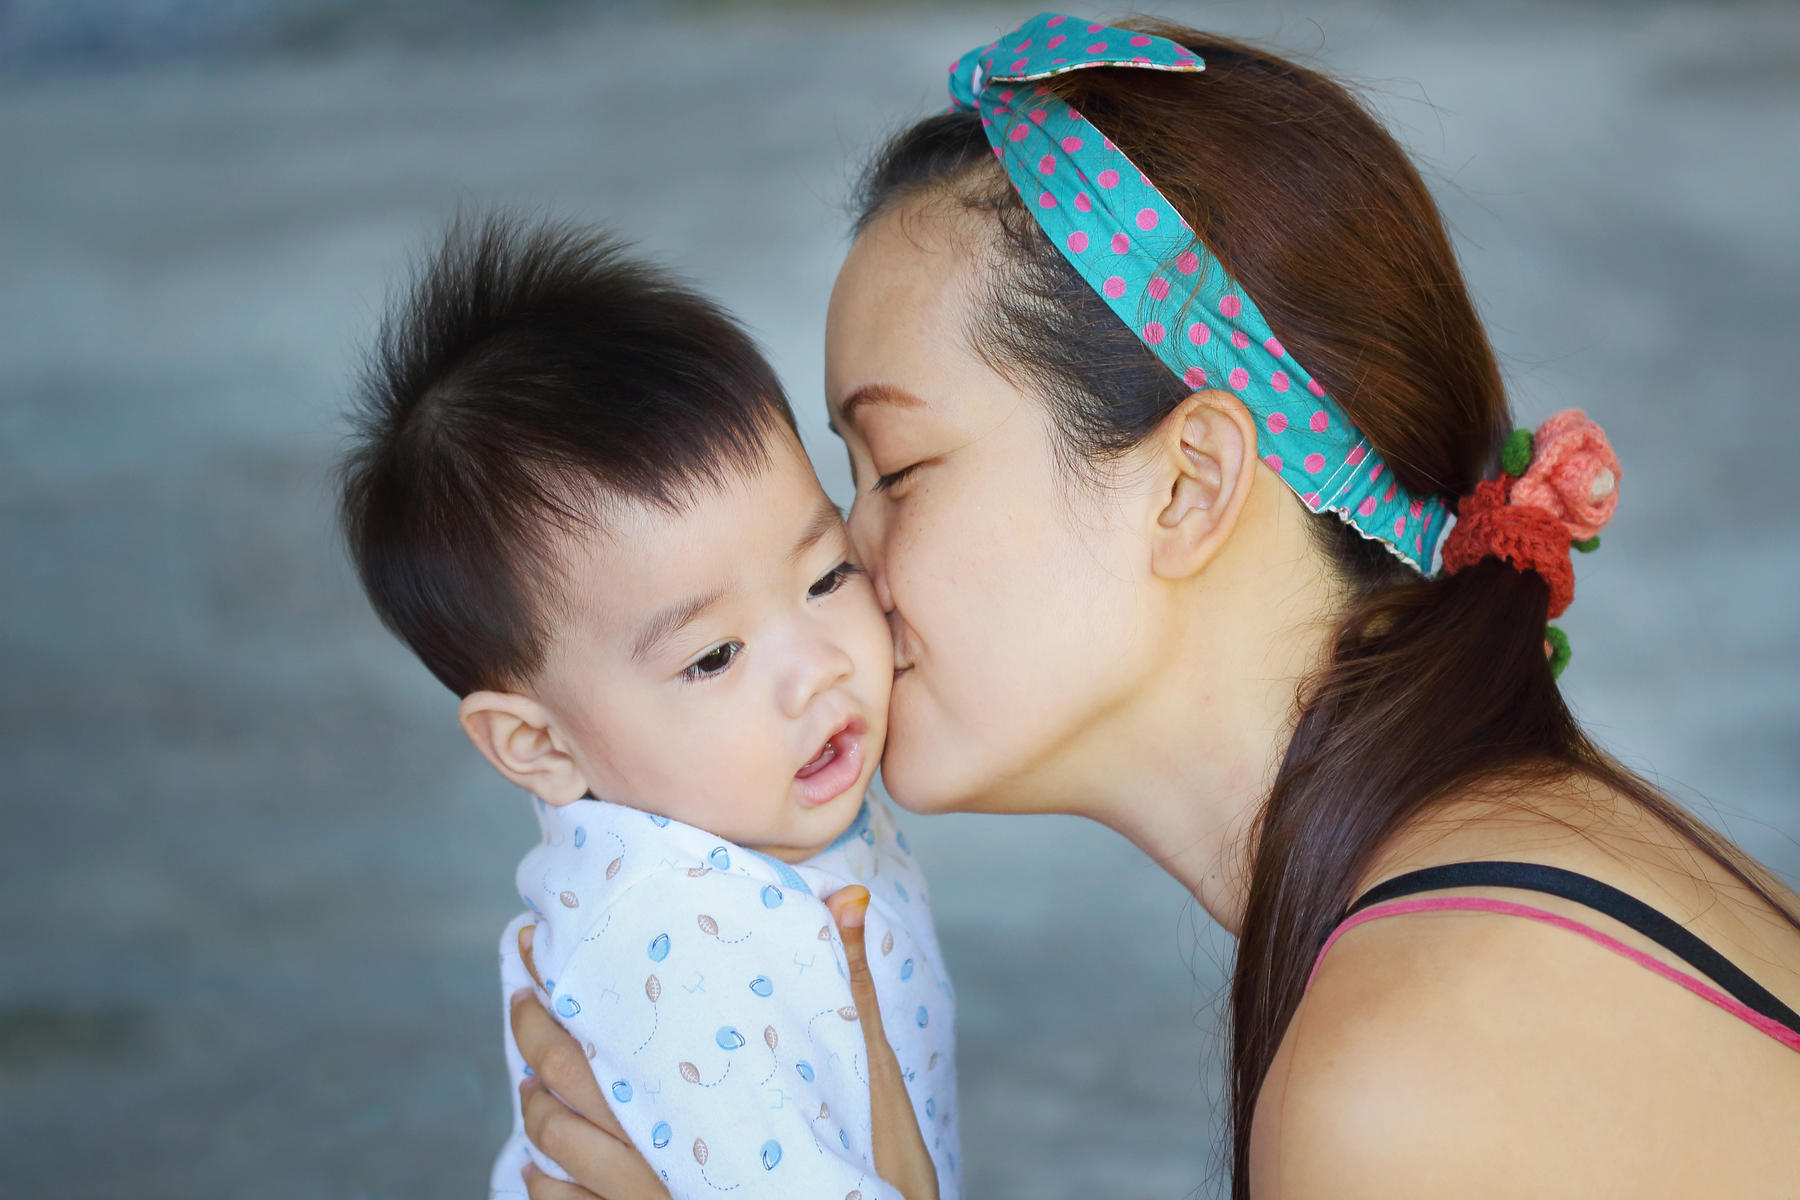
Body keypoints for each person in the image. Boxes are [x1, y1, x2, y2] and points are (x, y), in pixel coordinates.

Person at [508, 14, 1800, 1199]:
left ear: (1188, 487)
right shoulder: (1512, 878)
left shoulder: (1411, 1074)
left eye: (897, 471)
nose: (841, 559)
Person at [336, 214, 957, 1200]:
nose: (817, 670)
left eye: (828, 574)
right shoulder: (675, 948)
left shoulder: (750, 802)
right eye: (714, 656)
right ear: (538, 746)